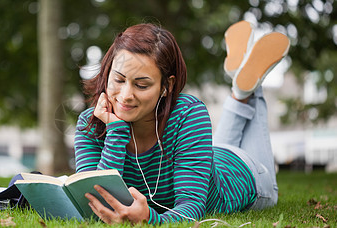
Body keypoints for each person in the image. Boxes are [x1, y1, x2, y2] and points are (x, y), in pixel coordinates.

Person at [74, 21, 290, 224]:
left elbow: (191, 207)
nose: (126, 95)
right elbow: (92, 203)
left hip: (246, 174)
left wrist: (150, 219)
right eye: (119, 80)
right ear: (108, 72)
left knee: (253, 85)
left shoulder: (189, 113)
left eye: (141, 85)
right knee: (241, 95)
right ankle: (241, 87)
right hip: (209, 156)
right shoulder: (90, 122)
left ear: (166, 86)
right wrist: (116, 131)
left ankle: (246, 88)